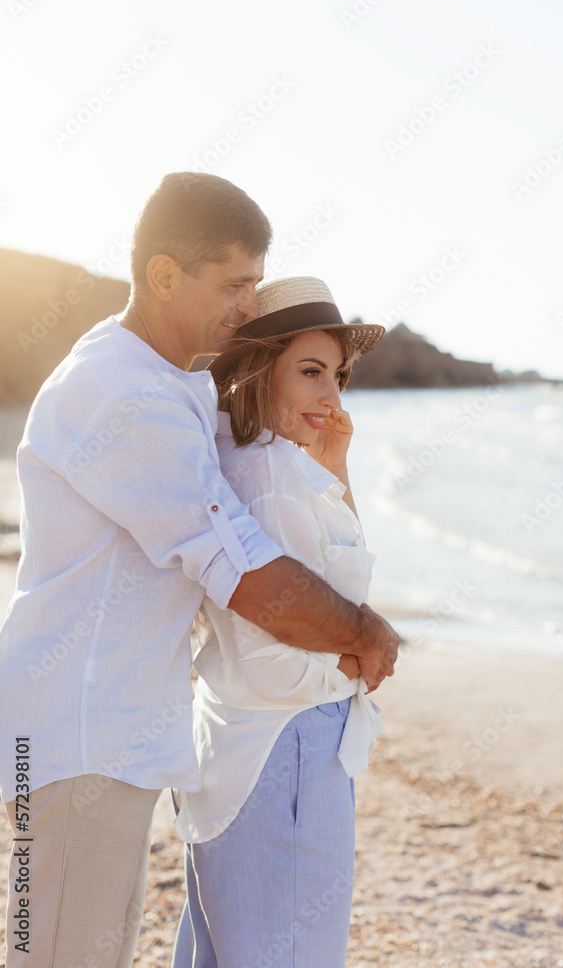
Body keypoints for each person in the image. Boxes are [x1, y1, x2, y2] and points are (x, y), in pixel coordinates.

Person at [0, 174, 399, 968]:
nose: (250, 306)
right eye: (236, 284)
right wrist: (365, 634)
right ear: (163, 277)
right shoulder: (123, 391)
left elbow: (257, 441)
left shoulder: (166, 383)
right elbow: (242, 572)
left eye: (256, 282)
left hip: (102, 735)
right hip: (79, 737)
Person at [172, 276, 386, 968]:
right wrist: (352, 664)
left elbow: (340, 584)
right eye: (310, 372)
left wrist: (336, 466)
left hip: (239, 746)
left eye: (339, 376)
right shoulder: (269, 478)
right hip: (287, 747)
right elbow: (274, 655)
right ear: (261, 369)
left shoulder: (250, 463)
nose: (331, 395)